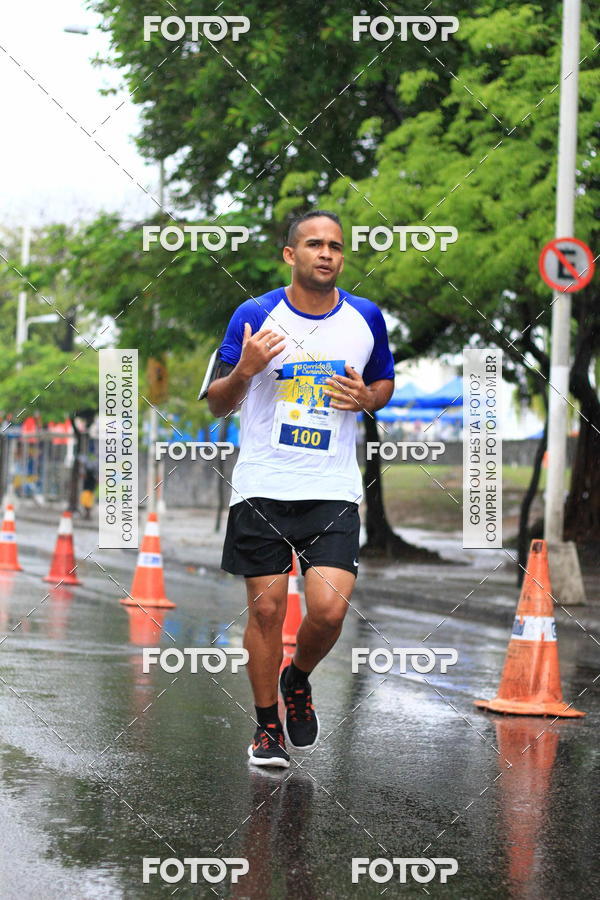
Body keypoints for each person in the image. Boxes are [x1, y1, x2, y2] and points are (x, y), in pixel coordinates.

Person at [206, 211, 395, 767]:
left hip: (332, 488)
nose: (326, 254)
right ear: (291, 254)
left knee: (329, 611)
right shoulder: (255, 314)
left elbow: (383, 381)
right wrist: (245, 369)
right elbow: (218, 401)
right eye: (314, 244)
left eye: (335, 245)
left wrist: (369, 397)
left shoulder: (365, 317)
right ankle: (267, 728)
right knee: (266, 614)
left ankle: (299, 676)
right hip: (262, 485)